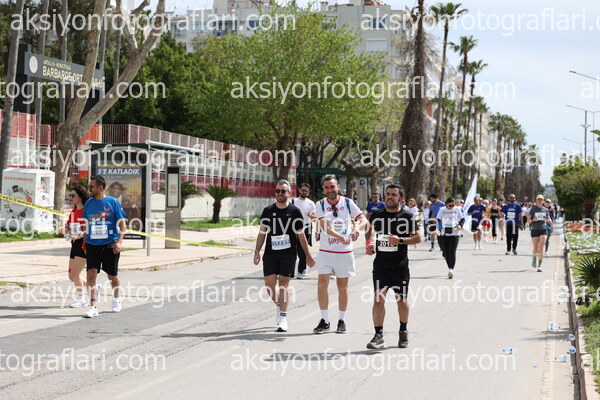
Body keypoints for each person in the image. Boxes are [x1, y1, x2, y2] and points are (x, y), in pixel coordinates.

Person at [254, 180, 315, 332]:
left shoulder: (295, 211)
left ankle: (283, 317)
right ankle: (279, 305)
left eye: (283, 191)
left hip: (288, 254)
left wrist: (308, 255)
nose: (280, 193)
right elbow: (262, 233)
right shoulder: (268, 210)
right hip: (270, 253)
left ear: (289, 193)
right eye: (278, 191)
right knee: (269, 285)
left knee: (284, 284)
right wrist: (256, 252)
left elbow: (301, 235)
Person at [365, 184, 421, 349]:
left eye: (394, 195)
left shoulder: (407, 216)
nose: (390, 197)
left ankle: (403, 330)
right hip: (381, 266)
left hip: (399, 267)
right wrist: (369, 243)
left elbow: (418, 238)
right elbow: (369, 230)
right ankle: (378, 335)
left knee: (401, 301)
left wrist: (400, 240)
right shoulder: (377, 215)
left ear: (400, 198)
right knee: (378, 300)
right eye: (388, 194)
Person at [313, 175, 367, 334]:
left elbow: (363, 219)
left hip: (344, 252)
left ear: (338, 187)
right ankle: (325, 320)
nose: (330, 190)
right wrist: (341, 237)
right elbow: (324, 226)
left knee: (342, 286)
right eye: (326, 187)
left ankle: (341, 320)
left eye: (332, 187)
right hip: (326, 252)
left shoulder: (348, 203)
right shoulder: (320, 204)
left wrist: (356, 228)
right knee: (322, 284)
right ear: (324, 189)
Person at [82, 175, 128, 318]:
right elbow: (86, 224)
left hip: (110, 244)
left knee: (112, 276)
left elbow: (122, 225)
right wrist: (84, 242)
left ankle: (116, 297)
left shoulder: (112, 202)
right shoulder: (88, 203)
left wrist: (119, 242)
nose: (89, 189)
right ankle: (93, 306)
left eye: (91, 186)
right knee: (91, 274)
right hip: (92, 244)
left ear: (100, 187)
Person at [65, 185, 89, 308]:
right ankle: (93, 286)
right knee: (71, 276)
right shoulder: (73, 212)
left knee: (75, 274)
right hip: (74, 244)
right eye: (70, 195)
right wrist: (66, 231)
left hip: (83, 244)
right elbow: (68, 226)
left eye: (73, 195)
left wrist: (78, 235)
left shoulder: (86, 211)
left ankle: (81, 299)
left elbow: (89, 229)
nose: (71, 198)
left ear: (80, 197)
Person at [291, 183, 316, 279]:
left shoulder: (311, 203)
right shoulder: (293, 201)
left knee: (303, 250)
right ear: (299, 190)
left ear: (308, 192)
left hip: (306, 227)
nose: (304, 192)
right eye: (303, 190)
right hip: (294, 228)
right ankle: (291, 272)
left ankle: (301, 270)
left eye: (306, 191)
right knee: (293, 250)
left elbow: (315, 216)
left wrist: (311, 215)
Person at [436, 198, 465, 279]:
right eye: (450, 205)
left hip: (455, 233)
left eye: (453, 205)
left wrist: (460, 225)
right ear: (446, 204)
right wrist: (438, 229)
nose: (451, 207)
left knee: (452, 251)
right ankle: (449, 267)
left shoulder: (457, 209)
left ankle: (451, 269)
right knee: (446, 252)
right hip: (445, 232)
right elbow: (438, 220)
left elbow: (462, 219)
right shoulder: (442, 210)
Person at [528, 195, 554, 272]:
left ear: (543, 201)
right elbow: (528, 220)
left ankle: (539, 266)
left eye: (541, 200)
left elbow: (548, 218)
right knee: (535, 248)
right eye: (538, 200)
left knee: (541, 247)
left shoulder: (545, 210)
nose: (539, 201)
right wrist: (533, 220)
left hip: (543, 229)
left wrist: (551, 224)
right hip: (535, 229)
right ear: (536, 200)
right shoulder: (533, 209)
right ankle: (534, 257)